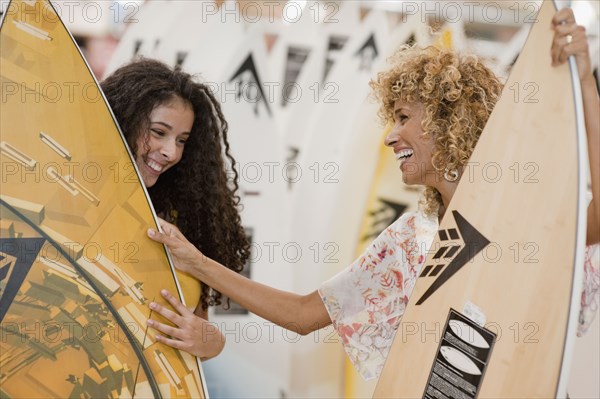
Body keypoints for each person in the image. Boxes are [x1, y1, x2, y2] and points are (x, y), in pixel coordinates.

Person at [146, 7, 599, 379]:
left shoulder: (518, 212)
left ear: (448, 120)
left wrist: (583, 83)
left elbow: (595, 219)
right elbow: (304, 314)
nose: (389, 136)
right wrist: (196, 262)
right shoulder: (409, 240)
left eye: (402, 117)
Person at [100, 58, 251, 360]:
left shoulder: (178, 224)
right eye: (158, 132)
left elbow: (200, 327)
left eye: (182, 140)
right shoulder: (71, 199)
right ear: (121, 120)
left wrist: (213, 342)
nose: (170, 152)